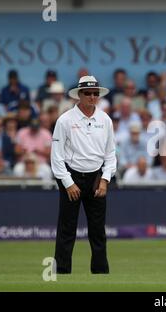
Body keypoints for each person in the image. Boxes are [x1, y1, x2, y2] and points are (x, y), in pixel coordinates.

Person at [50, 75, 116, 274]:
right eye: (88, 93)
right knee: (67, 228)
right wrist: (68, 182)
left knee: (98, 230)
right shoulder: (65, 120)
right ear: (79, 95)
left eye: (96, 93)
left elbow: (111, 154)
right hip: (72, 175)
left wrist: (105, 179)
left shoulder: (105, 120)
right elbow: (57, 156)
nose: (92, 97)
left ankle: (101, 272)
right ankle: (61, 271)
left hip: (96, 177)